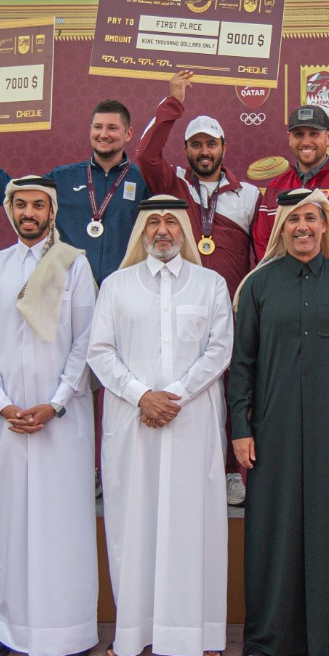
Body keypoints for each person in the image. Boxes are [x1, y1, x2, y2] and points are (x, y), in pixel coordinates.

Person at [228, 187, 329, 656]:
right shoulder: (258, 285)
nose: (303, 228)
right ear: (281, 228)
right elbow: (241, 364)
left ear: (325, 226)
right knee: (273, 527)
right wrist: (239, 427)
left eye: (311, 219)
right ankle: (267, 638)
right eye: (293, 220)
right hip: (271, 429)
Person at [87, 195, 233, 656]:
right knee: (134, 522)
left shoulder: (210, 284)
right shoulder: (116, 285)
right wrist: (140, 395)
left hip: (192, 422)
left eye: (172, 221)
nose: (163, 230)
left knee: (195, 523)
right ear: (142, 232)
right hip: (133, 423)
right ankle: (132, 631)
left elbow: (219, 350)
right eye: (154, 222)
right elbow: (100, 351)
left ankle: (201, 630)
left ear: (185, 230)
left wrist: (172, 395)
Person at [0, 176, 98, 656]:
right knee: (7, 522)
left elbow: (86, 341)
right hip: (5, 418)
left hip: (62, 418)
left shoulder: (74, 264)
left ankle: (67, 631)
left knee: (62, 522)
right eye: (20, 204)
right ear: (10, 210)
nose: (28, 213)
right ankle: (3, 628)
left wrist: (57, 401)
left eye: (37, 205)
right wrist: (1, 401)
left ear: (51, 210)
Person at [135, 69, 260, 506]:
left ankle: (229, 471)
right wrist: (173, 105)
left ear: (224, 148)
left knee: (232, 388)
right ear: (186, 149)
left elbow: (260, 254)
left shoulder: (248, 194)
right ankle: (186, 466)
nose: (204, 151)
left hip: (232, 308)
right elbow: (147, 155)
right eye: (196, 144)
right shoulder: (173, 184)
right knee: (184, 384)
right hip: (181, 306)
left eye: (211, 143)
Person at [0, 102, 147, 285]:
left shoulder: (143, 181)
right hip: (71, 288)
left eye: (112, 128)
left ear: (128, 134)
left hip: (124, 288)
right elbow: (12, 194)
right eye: (97, 127)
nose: (103, 134)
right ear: (90, 131)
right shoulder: (63, 178)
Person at [251, 106, 329, 273]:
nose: (306, 142)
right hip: (285, 289)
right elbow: (263, 246)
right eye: (298, 134)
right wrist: (292, 275)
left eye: (314, 134)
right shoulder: (274, 189)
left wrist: (311, 273)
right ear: (289, 138)